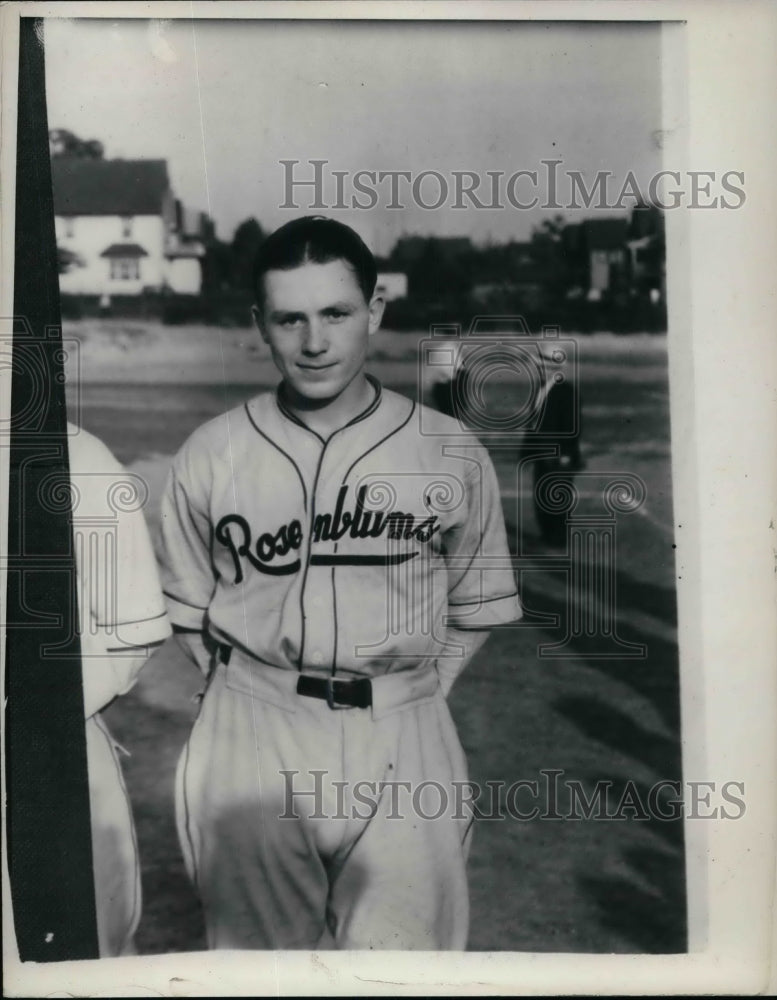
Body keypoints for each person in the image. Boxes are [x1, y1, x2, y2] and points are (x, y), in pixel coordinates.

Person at [158, 216, 521, 951]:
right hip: (251, 734)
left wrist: (410, 692)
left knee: (405, 968)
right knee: (256, 972)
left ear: (375, 311)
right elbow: (191, 614)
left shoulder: (447, 450)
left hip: (403, 731)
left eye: (335, 314)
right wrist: (250, 691)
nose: (314, 341)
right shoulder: (213, 451)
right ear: (259, 323)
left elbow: (473, 610)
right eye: (290, 318)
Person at [68, 424, 171, 955]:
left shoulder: (76, 456)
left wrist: (37, 720)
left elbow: (132, 630)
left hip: (54, 754)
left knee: (88, 954)